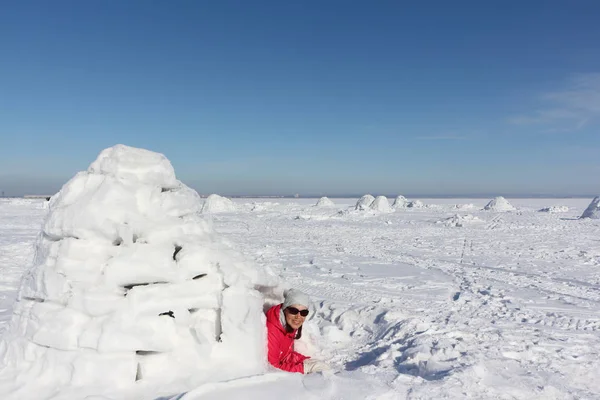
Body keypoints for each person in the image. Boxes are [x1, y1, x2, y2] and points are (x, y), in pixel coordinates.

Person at [266, 289, 329, 374]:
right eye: (293, 311)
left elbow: (284, 355)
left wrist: (304, 361)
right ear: (285, 310)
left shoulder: (287, 325)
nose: (298, 316)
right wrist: (304, 368)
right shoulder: (272, 330)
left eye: (304, 312)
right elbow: (272, 368)